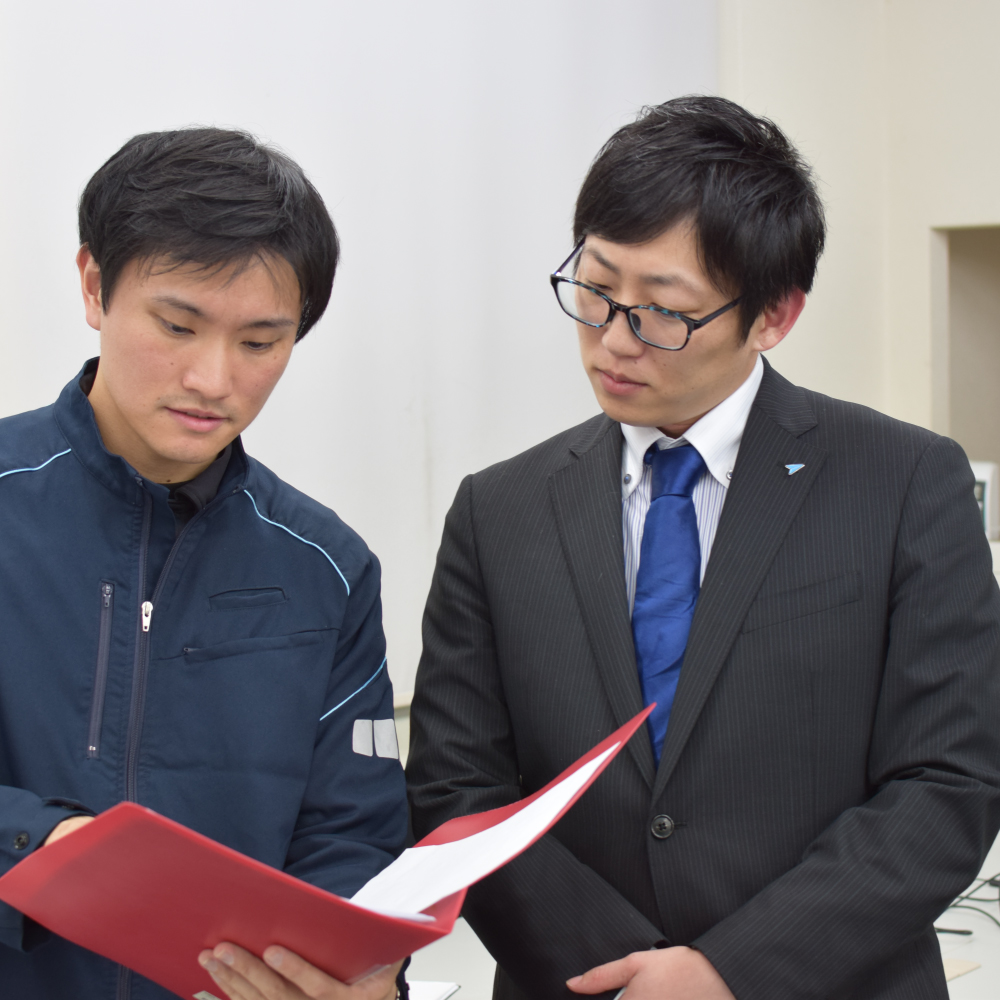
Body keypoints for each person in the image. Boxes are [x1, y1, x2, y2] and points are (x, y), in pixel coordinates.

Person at [405, 96, 1000, 1000]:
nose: (612, 340)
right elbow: (458, 787)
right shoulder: (500, 509)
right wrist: (624, 979)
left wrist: (729, 972)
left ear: (775, 315)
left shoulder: (904, 481)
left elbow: (949, 780)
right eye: (595, 290)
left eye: (662, 312)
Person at [0, 128, 407, 1000]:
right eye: (177, 326)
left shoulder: (327, 568)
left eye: (260, 343)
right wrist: (46, 846)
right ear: (94, 286)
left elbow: (355, 832)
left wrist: (363, 963)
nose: (213, 379)